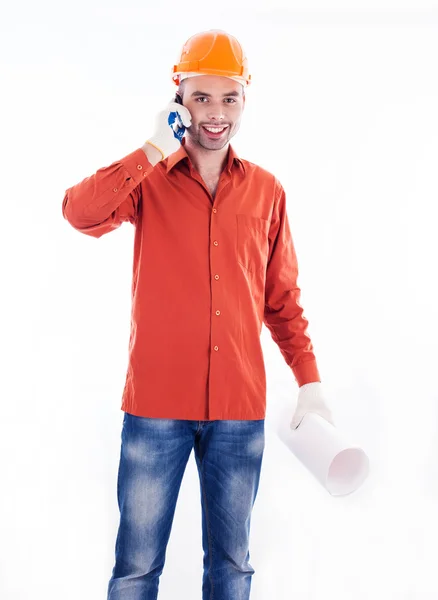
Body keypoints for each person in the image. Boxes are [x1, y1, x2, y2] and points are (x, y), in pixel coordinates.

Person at [62, 29, 334, 600]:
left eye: (228, 98)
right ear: (178, 99)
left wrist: (308, 382)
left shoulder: (266, 191)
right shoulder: (147, 181)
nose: (216, 114)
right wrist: (152, 149)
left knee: (232, 568)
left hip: (238, 411)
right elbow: (80, 214)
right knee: (135, 568)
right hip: (155, 408)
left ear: (245, 101)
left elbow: (281, 299)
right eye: (201, 98)